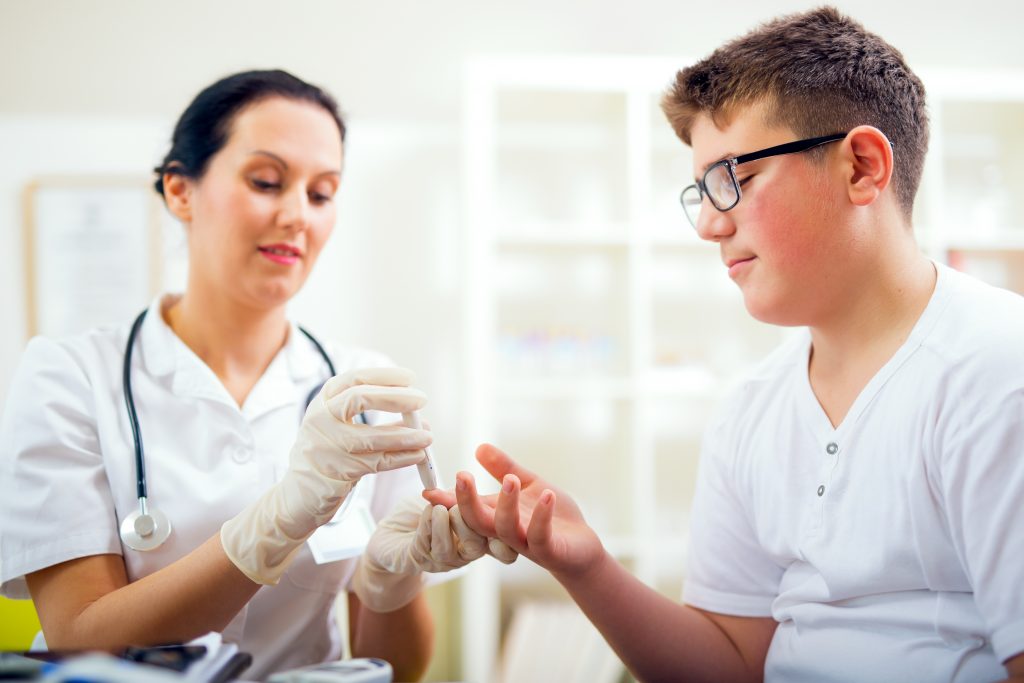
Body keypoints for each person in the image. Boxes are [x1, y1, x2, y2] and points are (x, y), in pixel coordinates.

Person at [426, 7, 1024, 682]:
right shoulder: (751, 409)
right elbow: (734, 662)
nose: (710, 224)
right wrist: (584, 563)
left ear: (861, 167)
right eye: (702, 190)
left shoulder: (999, 368)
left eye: (734, 177)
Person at [0, 69, 499, 682]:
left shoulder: (364, 385)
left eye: (322, 194)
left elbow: (396, 669)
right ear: (180, 191)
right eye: (266, 181)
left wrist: (391, 581)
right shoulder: (71, 375)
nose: (297, 215)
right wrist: (274, 522)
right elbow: (77, 637)